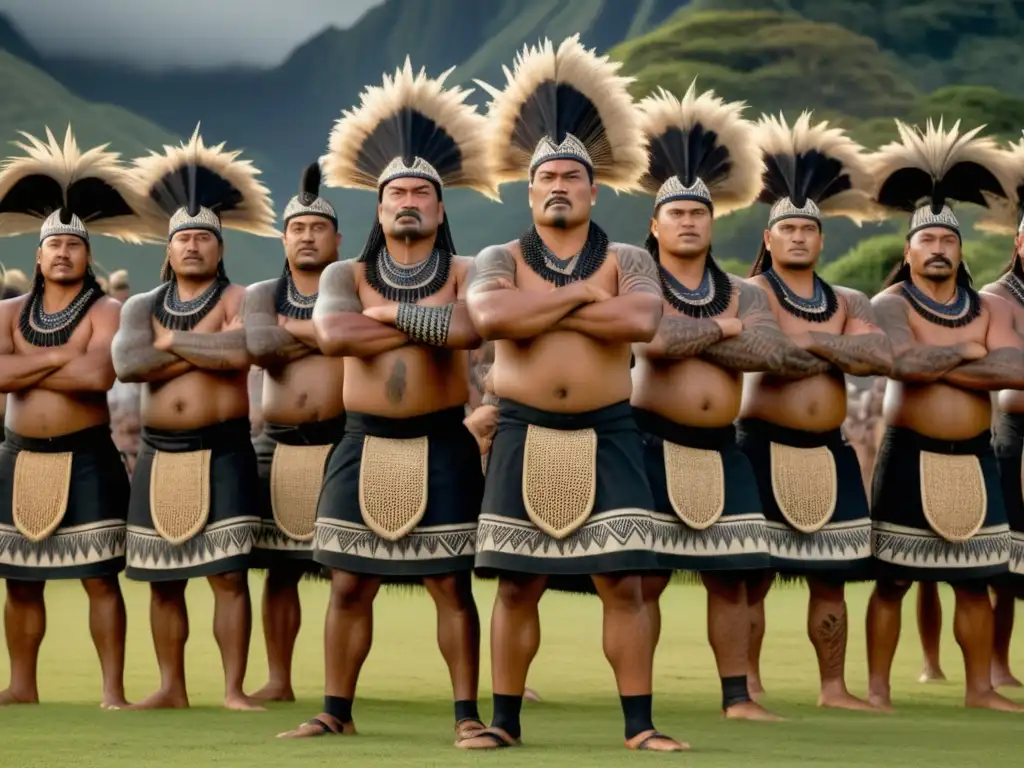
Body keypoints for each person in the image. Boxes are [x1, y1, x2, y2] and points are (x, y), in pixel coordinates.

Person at [462, 36, 684, 752]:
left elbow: (644, 319)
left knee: (623, 583)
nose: (558, 183)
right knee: (517, 585)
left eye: (571, 175)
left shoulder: (629, 259)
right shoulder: (500, 258)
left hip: (610, 429)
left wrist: (554, 300)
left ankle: (639, 725)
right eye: (546, 176)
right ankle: (503, 723)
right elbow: (493, 319)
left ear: (594, 189)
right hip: (522, 430)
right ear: (530, 191)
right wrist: (589, 298)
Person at [277, 59, 493, 742]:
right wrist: (414, 320)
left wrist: (387, 315)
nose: (407, 200)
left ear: (439, 206)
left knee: (451, 586)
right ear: (378, 207)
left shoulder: (469, 269)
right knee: (347, 584)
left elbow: (470, 328)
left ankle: (466, 715)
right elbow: (331, 333)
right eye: (395, 191)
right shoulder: (345, 272)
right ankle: (334, 710)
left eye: (420, 193)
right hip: (361, 440)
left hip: (442, 440)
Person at [631, 83, 826, 721]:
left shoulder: (744, 292)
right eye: (677, 213)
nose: (689, 221)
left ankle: (737, 697)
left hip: (724, 444)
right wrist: (726, 330)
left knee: (735, 576)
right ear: (655, 224)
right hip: (648, 437)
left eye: (699, 213)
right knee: (646, 578)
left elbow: (768, 355)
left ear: (713, 223)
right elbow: (656, 341)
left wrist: (714, 334)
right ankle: (641, 695)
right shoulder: (636, 279)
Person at [112, 127, 279, 710]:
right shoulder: (139, 306)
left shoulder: (246, 299)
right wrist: (203, 343)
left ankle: (233, 688)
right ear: (169, 246)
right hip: (159, 452)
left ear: (220, 248)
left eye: (204, 239)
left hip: (225, 448)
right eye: (183, 238)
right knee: (163, 579)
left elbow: (246, 352)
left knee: (229, 576)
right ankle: (170, 688)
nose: (193, 247)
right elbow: (129, 363)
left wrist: (172, 343)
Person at [867, 118, 1024, 713]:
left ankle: (980, 689)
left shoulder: (987, 305)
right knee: (893, 582)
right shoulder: (889, 303)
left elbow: (1014, 371)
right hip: (907, 451)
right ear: (908, 251)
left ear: (962, 250)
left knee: (976, 581)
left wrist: (936, 360)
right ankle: (878, 691)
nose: (938, 249)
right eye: (927, 241)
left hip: (975, 457)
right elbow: (898, 362)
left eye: (948, 241)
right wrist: (964, 351)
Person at [737, 113, 892, 710]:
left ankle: (834, 687)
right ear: (769, 238)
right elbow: (764, 352)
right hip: (761, 444)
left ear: (822, 239)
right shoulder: (748, 293)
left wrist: (809, 342)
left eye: (809, 229)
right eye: (789, 229)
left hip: (829, 448)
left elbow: (875, 355)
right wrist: (833, 345)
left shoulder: (850, 299)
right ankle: (747, 685)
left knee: (833, 577)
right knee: (754, 576)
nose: (799, 237)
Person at [0, 127, 150, 706]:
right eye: (53, 245)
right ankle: (21, 685)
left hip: (87, 455)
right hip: (18, 455)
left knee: (99, 579)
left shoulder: (108, 309)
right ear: (37, 255)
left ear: (88, 256)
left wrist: (31, 360)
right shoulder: (10, 311)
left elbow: (97, 377)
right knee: (19, 578)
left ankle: (113, 691)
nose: (62, 252)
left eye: (73, 245)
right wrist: (65, 352)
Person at [242, 163, 343, 702]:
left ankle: (337, 686)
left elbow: (355, 338)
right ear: (284, 238)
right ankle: (279, 680)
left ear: (337, 237)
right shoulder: (261, 294)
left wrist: (300, 331)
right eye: (297, 229)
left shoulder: (351, 282)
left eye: (317, 228)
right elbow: (261, 347)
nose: (306, 236)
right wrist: (328, 336)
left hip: (347, 438)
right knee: (280, 571)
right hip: (276, 443)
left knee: (353, 572)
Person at [977, 143, 1024, 689]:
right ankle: (995, 663)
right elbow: (1010, 384)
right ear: (1018, 241)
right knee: (1006, 567)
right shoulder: (997, 297)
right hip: (1014, 438)